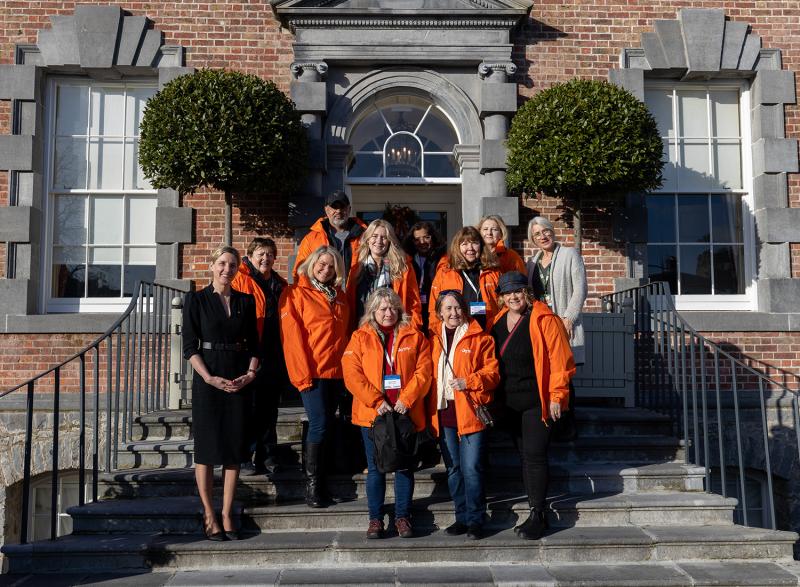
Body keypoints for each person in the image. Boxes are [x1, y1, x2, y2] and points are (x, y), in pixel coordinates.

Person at [490, 272, 576, 540]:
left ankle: (539, 514)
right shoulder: (497, 322)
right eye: (508, 293)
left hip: (537, 402)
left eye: (518, 291)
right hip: (509, 403)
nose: (513, 297)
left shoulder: (544, 319)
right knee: (525, 458)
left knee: (535, 456)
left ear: (526, 293)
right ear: (501, 297)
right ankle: (533, 508)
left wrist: (556, 396)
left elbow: (561, 361)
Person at [182, 245, 260, 541]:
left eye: (233, 265)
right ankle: (209, 513)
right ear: (212, 265)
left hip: (239, 377)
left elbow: (255, 344)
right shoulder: (197, 300)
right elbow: (190, 347)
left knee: (234, 448)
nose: (227, 269)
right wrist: (209, 378)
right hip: (208, 378)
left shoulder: (246, 301)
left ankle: (227, 512)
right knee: (207, 449)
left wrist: (250, 374)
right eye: (223, 263)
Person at [342, 288, 432, 539]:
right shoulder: (360, 337)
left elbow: (424, 371)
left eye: (392, 307)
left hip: (404, 413)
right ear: (372, 311)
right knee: (376, 467)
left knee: (404, 467)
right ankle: (375, 519)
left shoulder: (414, 336)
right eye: (382, 308)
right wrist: (375, 399)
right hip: (373, 414)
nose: (388, 313)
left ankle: (403, 516)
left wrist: (407, 399)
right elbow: (352, 373)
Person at [279, 246, 351, 508]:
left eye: (331, 266)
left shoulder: (340, 296)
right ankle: (312, 488)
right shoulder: (295, 294)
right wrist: (302, 376)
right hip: (312, 372)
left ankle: (324, 483)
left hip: (335, 373)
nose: (325, 269)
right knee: (319, 424)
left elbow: (343, 336)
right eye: (321, 264)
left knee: (327, 425)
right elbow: (292, 340)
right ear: (311, 264)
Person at [427, 290, 499, 540]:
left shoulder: (480, 337)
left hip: (469, 410)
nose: (453, 313)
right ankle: (462, 517)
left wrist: (469, 380)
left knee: (471, 468)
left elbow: (493, 374)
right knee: (454, 469)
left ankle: (476, 519)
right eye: (447, 308)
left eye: (457, 307)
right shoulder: (433, 338)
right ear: (439, 313)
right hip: (444, 410)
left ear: (464, 309)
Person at [526, 216, 587, 440]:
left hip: (563, 323)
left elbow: (580, 289)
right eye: (537, 234)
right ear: (533, 239)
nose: (543, 236)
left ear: (552, 231)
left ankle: (567, 427)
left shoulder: (570, 255)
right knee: (547, 373)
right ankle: (551, 423)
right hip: (543, 325)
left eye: (545, 231)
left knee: (565, 375)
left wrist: (569, 318)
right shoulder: (532, 262)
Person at [231, 237, 289, 475]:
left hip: (274, 351)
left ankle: (267, 455)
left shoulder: (280, 283)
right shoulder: (241, 279)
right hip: (249, 351)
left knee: (269, 407)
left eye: (269, 254)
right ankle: (245, 455)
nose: (265, 259)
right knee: (249, 406)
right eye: (261, 254)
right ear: (251, 255)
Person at [347, 219, 422, 330]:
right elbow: (349, 301)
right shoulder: (356, 265)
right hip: (362, 329)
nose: (379, 241)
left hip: (393, 329)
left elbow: (413, 302)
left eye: (384, 237)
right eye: (374, 236)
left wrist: (411, 329)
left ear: (390, 241)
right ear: (367, 239)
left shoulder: (402, 266)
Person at [428, 226, 501, 333]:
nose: (470, 248)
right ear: (457, 247)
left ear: (481, 246)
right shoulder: (445, 273)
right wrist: (436, 334)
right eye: (464, 244)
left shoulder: (493, 272)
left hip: (489, 331)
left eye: (474, 243)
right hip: (457, 333)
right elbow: (434, 309)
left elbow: (503, 305)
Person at [293, 190, 366, 286]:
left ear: (349, 209)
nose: (338, 211)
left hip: (355, 297)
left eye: (342, 207)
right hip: (322, 297)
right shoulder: (311, 239)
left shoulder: (365, 236)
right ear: (326, 210)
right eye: (334, 207)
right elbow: (300, 271)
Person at [403, 221, 446, 333]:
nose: (422, 242)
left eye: (426, 237)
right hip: (415, 307)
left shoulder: (442, 258)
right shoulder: (408, 260)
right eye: (417, 239)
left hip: (436, 305)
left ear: (433, 237)